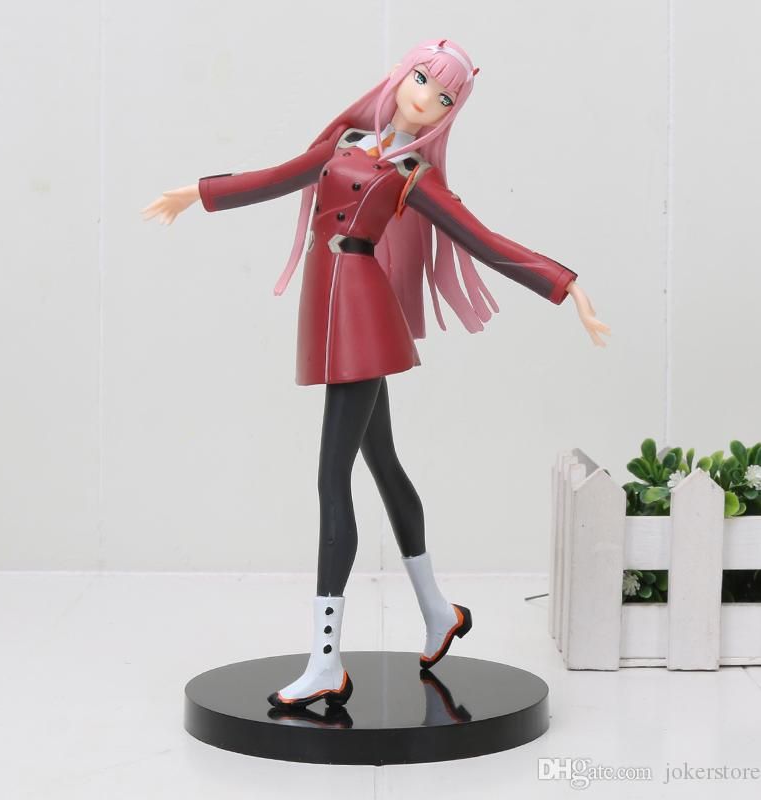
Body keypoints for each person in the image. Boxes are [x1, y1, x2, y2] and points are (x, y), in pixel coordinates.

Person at [142, 38, 610, 710]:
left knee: (333, 478)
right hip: (327, 307)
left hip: (360, 316)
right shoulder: (346, 142)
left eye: (444, 96)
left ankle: (326, 661)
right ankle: (439, 612)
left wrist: (568, 287)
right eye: (422, 80)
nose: (426, 99)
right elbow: (279, 176)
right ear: (399, 74)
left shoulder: (415, 174)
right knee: (383, 463)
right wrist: (198, 193)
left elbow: (483, 240)